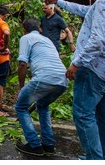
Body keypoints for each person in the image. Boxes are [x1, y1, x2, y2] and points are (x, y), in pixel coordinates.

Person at [43, 0, 105, 160]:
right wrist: (59, 2)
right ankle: (100, 156)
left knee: (82, 113)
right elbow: (85, 11)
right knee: (104, 115)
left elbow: (97, 40)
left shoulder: (104, 3)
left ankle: (94, 161)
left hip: (92, 69)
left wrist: (76, 63)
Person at [15, 19, 68, 157]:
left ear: (24, 30)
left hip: (45, 77)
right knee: (43, 105)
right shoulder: (47, 40)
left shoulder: (26, 38)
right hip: (62, 80)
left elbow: (22, 64)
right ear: (39, 29)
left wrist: (21, 87)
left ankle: (34, 145)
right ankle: (48, 144)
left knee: (20, 107)